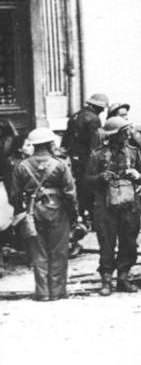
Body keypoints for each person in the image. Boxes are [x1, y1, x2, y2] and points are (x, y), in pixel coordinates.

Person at [11, 128, 77, 301]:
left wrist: (22, 214)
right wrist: (74, 215)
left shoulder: (22, 166)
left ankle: (42, 293)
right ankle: (57, 292)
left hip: (33, 213)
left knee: (38, 253)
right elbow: (70, 193)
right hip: (58, 211)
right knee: (59, 252)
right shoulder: (60, 164)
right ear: (50, 144)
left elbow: (15, 196)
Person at [84, 117, 141, 296]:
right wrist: (100, 177)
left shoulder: (133, 152)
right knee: (106, 243)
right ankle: (106, 280)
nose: (128, 135)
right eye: (124, 132)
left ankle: (124, 277)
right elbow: (86, 180)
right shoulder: (97, 154)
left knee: (129, 241)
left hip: (129, 204)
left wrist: (137, 175)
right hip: (105, 205)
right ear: (115, 135)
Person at [61, 93, 108, 228]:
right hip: (88, 158)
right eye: (102, 108)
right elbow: (96, 142)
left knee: (80, 186)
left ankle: (81, 215)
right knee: (92, 186)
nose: (103, 111)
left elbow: (66, 137)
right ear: (97, 107)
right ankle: (92, 218)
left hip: (75, 158)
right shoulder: (93, 119)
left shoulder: (75, 116)